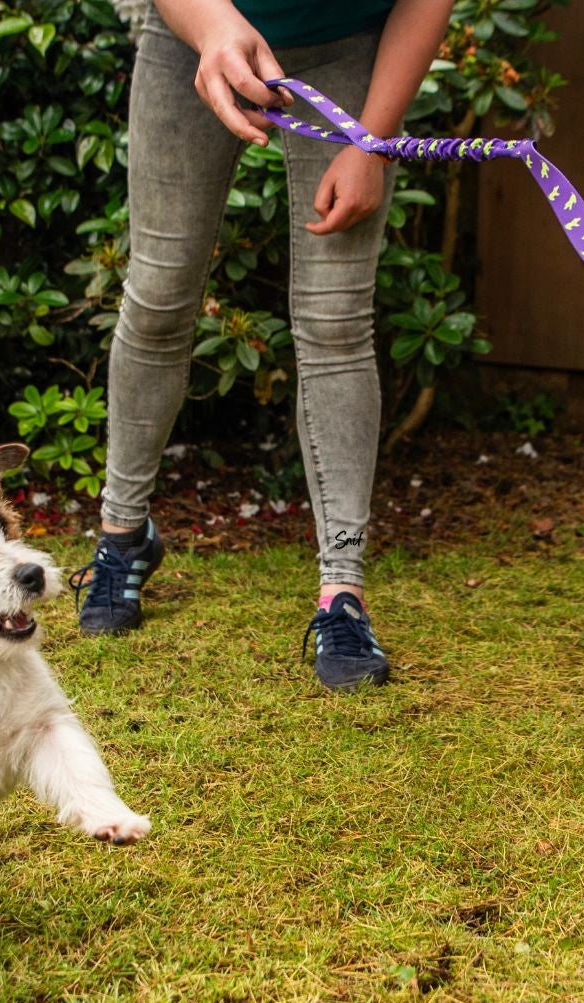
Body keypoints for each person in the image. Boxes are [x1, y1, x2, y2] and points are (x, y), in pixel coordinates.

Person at [70, 0, 453, 691]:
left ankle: (343, 593)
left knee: (336, 321)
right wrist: (212, 26)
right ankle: (123, 536)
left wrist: (372, 141)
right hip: (193, 37)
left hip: (348, 47)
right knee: (158, 296)